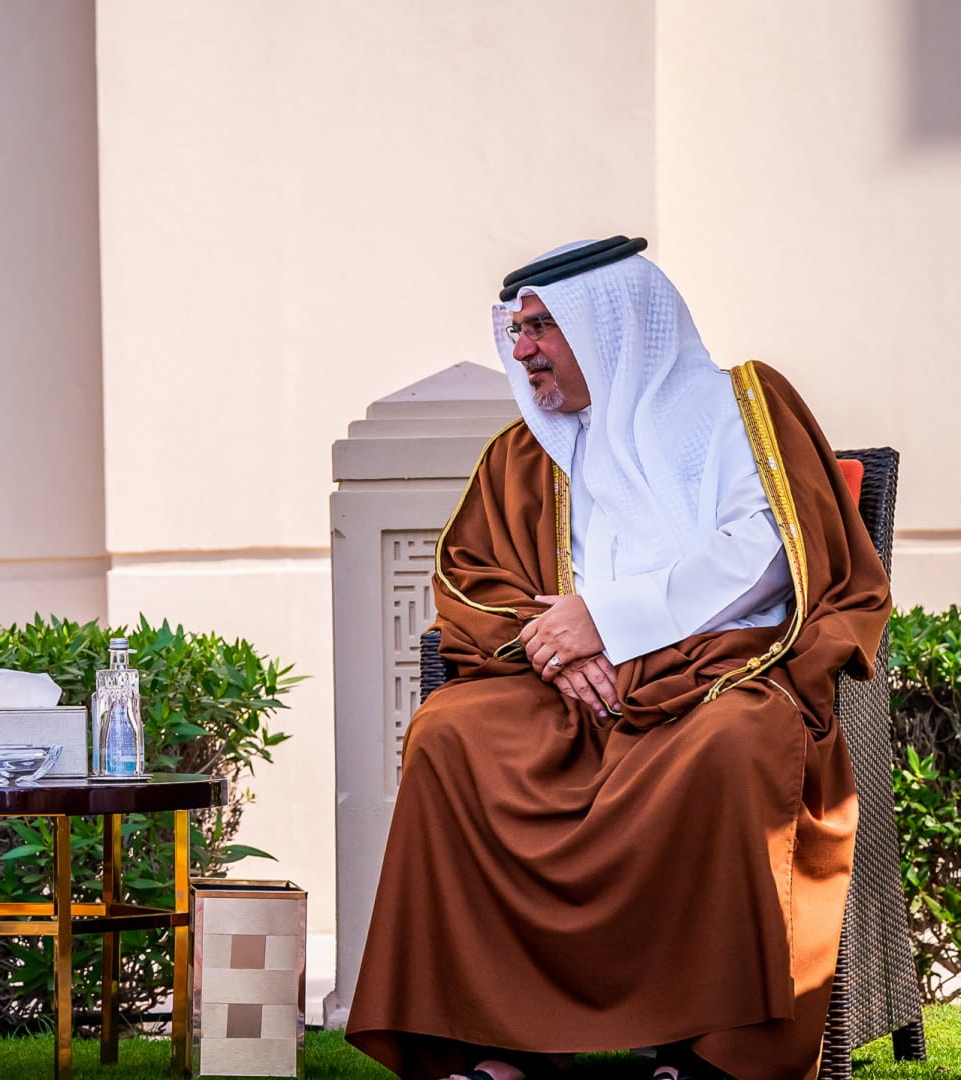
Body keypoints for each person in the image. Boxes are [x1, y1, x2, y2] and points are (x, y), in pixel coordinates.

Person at [345, 238, 890, 1080]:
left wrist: (608, 619)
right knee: (451, 735)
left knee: (737, 747)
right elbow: (476, 578)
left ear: (611, 323)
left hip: (720, 672)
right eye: (517, 329)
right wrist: (557, 651)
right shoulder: (526, 452)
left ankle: (709, 1052)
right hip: (571, 688)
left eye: (541, 327)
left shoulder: (742, 407)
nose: (522, 349)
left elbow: (769, 549)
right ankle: (503, 1044)